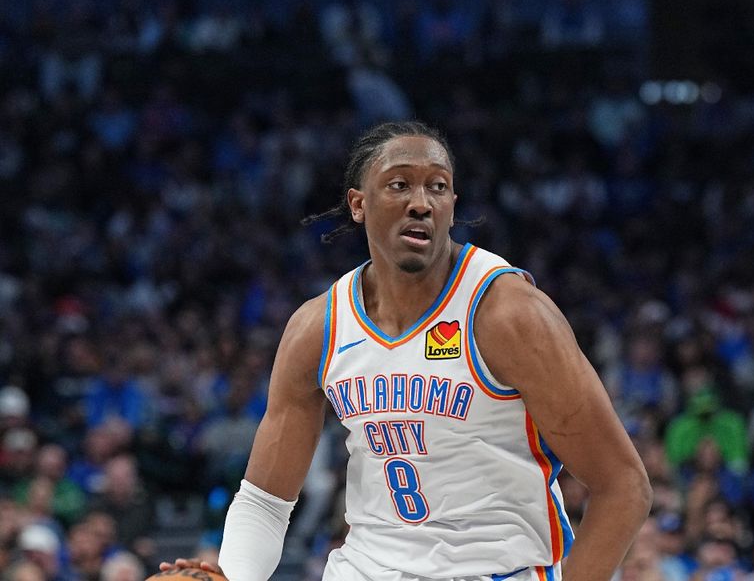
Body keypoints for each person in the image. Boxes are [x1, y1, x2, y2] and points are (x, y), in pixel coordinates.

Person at [161, 121, 652, 580]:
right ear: (358, 204)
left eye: (437, 187)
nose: (422, 202)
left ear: (452, 207)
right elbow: (265, 501)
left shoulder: (508, 315)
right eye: (400, 185)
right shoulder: (319, 327)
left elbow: (623, 486)